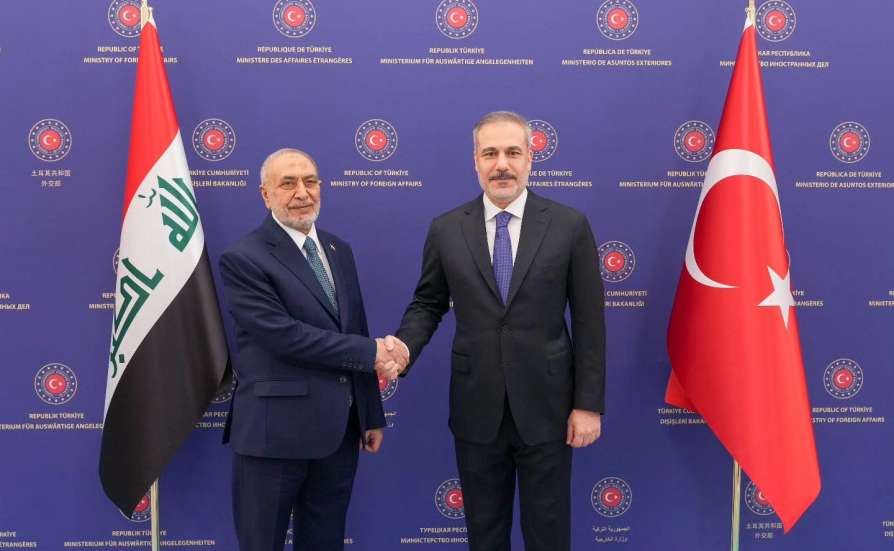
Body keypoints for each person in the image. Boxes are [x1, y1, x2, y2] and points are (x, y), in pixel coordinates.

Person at [385, 111, 606, 551]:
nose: (501, 164)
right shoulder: (446, 229)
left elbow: (589, 321)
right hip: (476, 408)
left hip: (548, 409)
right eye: (490, 154)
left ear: (530, 159)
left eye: (512, 153)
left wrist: (588, 405)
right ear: (475, 161)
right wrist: (404, 346)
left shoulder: (568, 226)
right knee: (484, 536)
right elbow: (428, 303)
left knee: (548, 534)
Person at [218, 148, 402, 551]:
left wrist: (370, 412)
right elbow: (282, 335)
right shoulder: (243, 257)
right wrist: (371, 352)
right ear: (265, 195)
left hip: (338, 435)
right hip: (272, 437)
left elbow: (355, 327)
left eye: (310, 181)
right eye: (288, 183)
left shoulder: (338, 250)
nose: (302, 192)